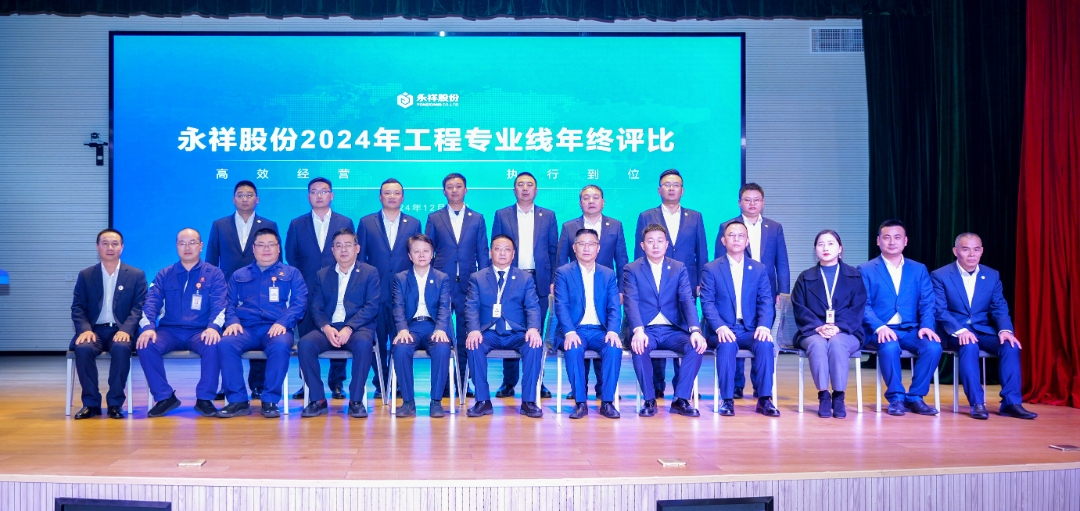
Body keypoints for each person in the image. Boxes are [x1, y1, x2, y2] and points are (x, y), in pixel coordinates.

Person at [932, 233, 1037, 420]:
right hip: (952, 331)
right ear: (955, 251)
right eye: (966, 249)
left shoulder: (991, 275)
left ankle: (1011, 403)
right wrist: (961, 331)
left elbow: (999, 307)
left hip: (982, 330)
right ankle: (977, 403)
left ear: (982, 251)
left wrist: (1005, 330)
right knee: (969, 345)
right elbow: (940, 311)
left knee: (1010, 345)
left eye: (976, 249)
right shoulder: (940, 275)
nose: (971, 254)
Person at [136, 228, 227, 418]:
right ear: (176, 246)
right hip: (170, 331)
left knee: (214, 344)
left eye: (192, 242)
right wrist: (148, 328)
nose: (187, 247)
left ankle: (204, 399)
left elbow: (220, 304)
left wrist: (213, 327)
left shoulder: (214, 273)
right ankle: (164, 397)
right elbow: (151, 303)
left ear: (201, 246)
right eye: (182, 243)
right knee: (146, 344)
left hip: (200, 331)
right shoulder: (164, 274)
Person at [217, 228, 307, 418]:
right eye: (261, 245)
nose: (266, 249)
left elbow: (299, 303)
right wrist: (232, 321)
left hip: (277, 328)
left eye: (271, 245)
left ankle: (270, 400)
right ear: (253, 248)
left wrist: (283, 322)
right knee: (226, 344)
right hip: (245, 328)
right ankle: (238, 401)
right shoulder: (239, 275)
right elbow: (228, 303)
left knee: (280, 347)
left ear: (278, 248)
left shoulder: (292, 273)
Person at [634, 169, 708, 399]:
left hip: (685, 282)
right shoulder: (647, 215)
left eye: (676, 184)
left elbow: (701, 251)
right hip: (653, 281)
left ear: (682, 190)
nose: (672, 188)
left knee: (682, 329)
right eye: (667, 184)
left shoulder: (695, 217)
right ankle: (656, 386)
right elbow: (639, 252)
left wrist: (701, 281)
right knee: (654, 325)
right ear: (659, 190)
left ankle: (682, 388)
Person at [858, 220, 941, 416]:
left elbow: (927, 302)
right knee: (890, 346)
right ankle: (896, 398)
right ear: (878, 241)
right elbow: (863, 305)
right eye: (886, 237)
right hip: (878, 330)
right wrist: (879, 327)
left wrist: (927, 326)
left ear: (905, 241)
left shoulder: (918, 269)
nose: (892, 242)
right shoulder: (865, 269)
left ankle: (916, 397)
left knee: (933, 347)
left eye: (897, 237)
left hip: (910, 329)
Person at [205, 180, 279, 401]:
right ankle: (225, 385)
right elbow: (211, 259)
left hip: (260, 289)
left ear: (257, 199)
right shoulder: (220, 225)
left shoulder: (269, 224)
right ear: (233, 199)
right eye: (240, 195)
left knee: (259, 330)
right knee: (226, 337)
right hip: (229, 291)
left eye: (249, 195)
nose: (245, 199)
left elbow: (276, 258)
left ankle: (257, 385)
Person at [555, 185, 628, 401]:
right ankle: (579, 393)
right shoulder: (569, 227)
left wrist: (622, 289)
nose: (591, 201)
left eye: (596, 197)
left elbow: (621, 259)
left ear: (603, 202)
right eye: (586, 198)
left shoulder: (615, 225)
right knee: (576, 344)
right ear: (580, 203)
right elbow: (561, 257)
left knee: (608, 342)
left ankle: (605, 393)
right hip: (575, 288)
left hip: (605, 289)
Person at [624, 224, 706, 418]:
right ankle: (649, 400)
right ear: (642, 245)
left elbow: (687, 300)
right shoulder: (632, 269)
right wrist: (638, 330)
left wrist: (695, 330)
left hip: (673, 330)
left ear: (666, 244)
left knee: (696, 346)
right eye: (650, 241)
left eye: (660, 241)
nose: (655, 245)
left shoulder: (678, 268)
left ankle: (681, 399)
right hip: (646, 329)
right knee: (639, 347)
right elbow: (631, 302)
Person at [298, 228, 381, 419]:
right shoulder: (322, 274)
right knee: (305, 344)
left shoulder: (369, 272)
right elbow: (316, 307)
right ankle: (317, 399)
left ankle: (356, 401)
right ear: (332, 250)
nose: (343, 250)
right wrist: (326, 327)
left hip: (358, 328)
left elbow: (371, 306)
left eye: (348, 245)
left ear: (357, 248)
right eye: (338, 246)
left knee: (363, 344)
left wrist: (349, 327)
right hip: (329, 327)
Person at [716, 183, 789, 399]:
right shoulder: (728, 227)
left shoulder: (774, 227)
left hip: (766, 291)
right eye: (747, 200)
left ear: (763, 203)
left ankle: (760, 386)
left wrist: (783, 292)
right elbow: (719, 261)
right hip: (736, 290)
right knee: (735, 331)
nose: (752, 204)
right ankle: (736, 386)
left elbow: (782, 262)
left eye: (756, 200)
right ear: (740, 203)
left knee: (761, 334)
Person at [285, 177, 354, 400]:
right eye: (314, 191)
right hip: (306, 289)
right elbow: (292, 256)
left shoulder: (344, 221)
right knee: (306, 337)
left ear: (331, 195)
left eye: (324, 191)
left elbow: (350, 253)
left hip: (338, 287)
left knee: (338, 332)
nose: (319, 195)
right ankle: (307, 383)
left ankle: (337, 383)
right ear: (309, 196)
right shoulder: (297, 224)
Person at [700, 220, 778, 417]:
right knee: (727, 345)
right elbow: (707, 303)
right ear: (723, 240)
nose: (736, 239)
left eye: (741, 236)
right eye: (731, 235)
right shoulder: (711, 268)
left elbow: (766, 301)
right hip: (722, 330)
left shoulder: (759, 269)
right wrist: (719, 327)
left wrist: (764, 326)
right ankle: (727, 400)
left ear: (747, 241)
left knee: (765, 344)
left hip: (749, 329)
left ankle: (764, 399)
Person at [491, 172, 557, 399]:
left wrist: (553, 280)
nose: (525, 188)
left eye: (530, 185)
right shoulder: (502, 214)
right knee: (510, 329)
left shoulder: (548, 215)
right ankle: (508, 382)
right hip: (511, 280)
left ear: (536, 190)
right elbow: (496, 247)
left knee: (535, 331)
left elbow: (553, 250)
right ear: (514, 190)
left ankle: (538, 380)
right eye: (521, 184)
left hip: (539, 280)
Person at [464, 235, 545, 418]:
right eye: (498, 249)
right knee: (473, 344)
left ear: (513, 254)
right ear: (490, 252)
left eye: (507, 249)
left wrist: (533, 328)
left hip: (516, 333)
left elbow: (532, 306)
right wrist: (474, 330)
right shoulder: (478, 277)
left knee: (534, 345)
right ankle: (483, 401)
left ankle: (529, 401)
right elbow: (471, 306)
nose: (502, 253)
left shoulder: (525, 278)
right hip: (489, 332)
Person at [70, 229, 147, 420]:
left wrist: (127, 329)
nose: (110, 247)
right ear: (97, 247)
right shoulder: (86, 275)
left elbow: (139, 307)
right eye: (105, 243)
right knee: (83, 349)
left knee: (121, 348)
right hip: (94, 330)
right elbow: (78, 307)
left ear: (122, 247)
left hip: (121, 330)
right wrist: (85, 329)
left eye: (115, 243)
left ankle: (115, 403)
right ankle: (91, 404)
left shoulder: (136, 275)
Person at [791, 230, 866, 419]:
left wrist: (838, 327)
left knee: (837, 343)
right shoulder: (805, 277)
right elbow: (799, 307)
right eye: (821, 244)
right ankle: (824, 395)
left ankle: (839, 396)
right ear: (815, 249)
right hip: (811, 330)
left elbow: (857, 307)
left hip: (848, 330)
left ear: (840, 248)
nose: (825, 248)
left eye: (831, 243)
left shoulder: (854, 276)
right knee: (817, 344)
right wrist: (818, 327)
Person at [358, 178, 422, 399]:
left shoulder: (413, 223)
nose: (392, 196)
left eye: (396, 193)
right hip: (375, 292)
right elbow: (361, 259)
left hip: (404, 293)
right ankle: (382, 382)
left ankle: (400, 382)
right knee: (377, 339)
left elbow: (418, 257)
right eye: (387, 193)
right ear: (380, 197)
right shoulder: (366, 222)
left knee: (402, 339)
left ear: (402, 197)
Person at [425, 173, 487, 398]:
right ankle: (442, 384)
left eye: (458, 186)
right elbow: (427, 251)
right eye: (449, 187)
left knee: (466, 334)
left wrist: (485, 282)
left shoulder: (477, 218)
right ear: (444, 191)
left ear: (465, 190)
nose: (454, 190)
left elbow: (482, 252)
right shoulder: (435, 218)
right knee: (440, 334)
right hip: (441, 284)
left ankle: (462, 381)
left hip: (470, 284)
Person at [553, 228, 623, 419]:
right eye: (581, 244)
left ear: (598, 248)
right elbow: (561, 306)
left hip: (601, 331)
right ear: (574, 248)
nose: (586, 248)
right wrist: (569, 332)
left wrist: (613, 331)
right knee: (574, 348)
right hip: (575, 330)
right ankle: (580, 403)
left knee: (614, 348)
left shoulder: (608, 274)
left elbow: (614, 307)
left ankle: (607, 402)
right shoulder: (563, 273)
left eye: (591, 244)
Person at [390, 234, 454, 418]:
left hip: (434, 326)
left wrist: (441, 328)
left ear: (432, 254)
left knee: (442, 348)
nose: (421, 255)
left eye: (426, 251)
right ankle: (408, 402)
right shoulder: (401, 278)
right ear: (410, 256)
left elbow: (444, 306)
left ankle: (436, 402)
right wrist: (402, 329)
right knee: (401, 349)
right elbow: (398, 306)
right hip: (410, 327)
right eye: (416, 251)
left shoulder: (442, 278)